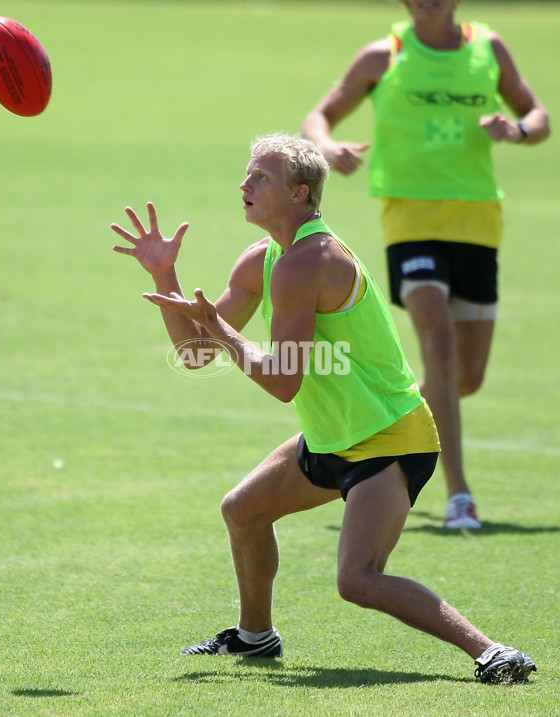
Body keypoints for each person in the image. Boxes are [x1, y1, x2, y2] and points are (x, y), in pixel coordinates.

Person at [111, 132, 535, 683]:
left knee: (358, 579)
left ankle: (492, 652)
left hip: (389, 436)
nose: (244, 184)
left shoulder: (309, 261)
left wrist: (220, 331)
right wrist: (164, 276)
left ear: (300, 194)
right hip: (333, 434)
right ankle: (254, 636)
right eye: (247, 173)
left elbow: (283, 380)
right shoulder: (263, 260)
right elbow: (194, 353)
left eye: (261, 177)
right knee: (243, 510)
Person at [302, 0, 550, 529]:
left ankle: (391, 403)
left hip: (477, 219)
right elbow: (319, 117)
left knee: (464, 376)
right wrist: (327, 147)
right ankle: (459, 494)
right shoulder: (383, 54)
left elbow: (539, 115)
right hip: (409, 219)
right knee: (436, 341)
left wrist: (518, 130)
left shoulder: (487, 46)